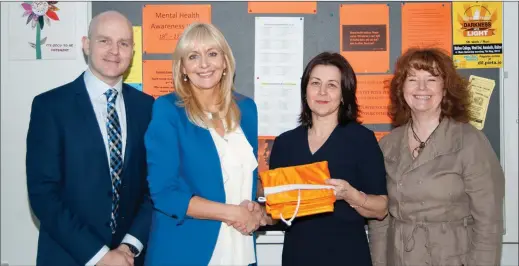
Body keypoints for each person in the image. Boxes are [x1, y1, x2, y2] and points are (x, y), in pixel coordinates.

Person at [26, 11, 154, 266]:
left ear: (132, 51)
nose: (114, 51)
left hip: (129, 259)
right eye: (104, 40)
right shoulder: (50, 107)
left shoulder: (147, 107)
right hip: (68, 257)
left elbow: (153, 187)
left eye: (124, 43)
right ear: (86, 44)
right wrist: (100, 256)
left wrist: (129, 245)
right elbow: (43, 194)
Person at [368, 48, 505, 266]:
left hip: (452, 258)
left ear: (445, 88)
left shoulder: (470, 142)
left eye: (431, 79)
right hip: (400, 258)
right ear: (402, 88)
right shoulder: (387, 145)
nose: (421, 88)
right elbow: (380, 221)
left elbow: (489, 223)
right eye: (412, 79)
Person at [144, 22, 265, 266]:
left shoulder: (247, 110)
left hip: (239, 250)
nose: (204, 64)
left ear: (225, 61)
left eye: (212, 53)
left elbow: (245, 180)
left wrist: (256, 210)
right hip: (185, 253)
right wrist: (232, 212)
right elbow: (164, 194)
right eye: (193, 56)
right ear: (183, 68)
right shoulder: (168, 110)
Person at [263, 52, 388, 265]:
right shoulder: (285, 144)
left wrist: (350, 195)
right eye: (315, 83)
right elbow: (277, 213)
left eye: (332, 85)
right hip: (297, 257)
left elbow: (381, 209)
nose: (322, 92)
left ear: (343, 95)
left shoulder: (362, 140)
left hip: (348, 257)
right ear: (305, 91)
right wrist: (255, 211)